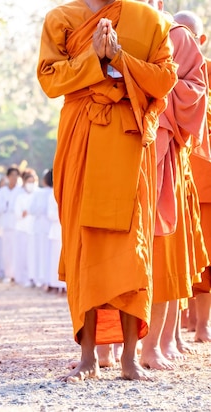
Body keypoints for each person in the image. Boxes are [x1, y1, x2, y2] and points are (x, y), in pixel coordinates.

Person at [37, 0, 177, 381]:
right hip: (82, 135)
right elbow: (50, 79)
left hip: (127, 139)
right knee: (85, 244)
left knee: (132, 248)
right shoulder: (61, 20)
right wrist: (95, 60)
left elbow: (165, 80)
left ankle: (130, 358)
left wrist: (120, 56)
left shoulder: (148, 20)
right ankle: (88, 358)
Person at [138, 0, 209, 371]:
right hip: (122, 146)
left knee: (166, 253)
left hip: (166, 158)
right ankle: (103, 350)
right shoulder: (99, 26)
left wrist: (157, 87)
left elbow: (192, 90)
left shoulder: (175, 37)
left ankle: (159, 343)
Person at [177, 10, 211, 343]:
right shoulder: (161, 70)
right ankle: (185, 322)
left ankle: (203, 324)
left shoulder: (208, 74)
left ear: (200, 40)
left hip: (207, 181)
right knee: (184, 258)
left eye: (187, 35)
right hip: (183, 181)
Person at [0, 167, 21, 282]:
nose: (14, 178)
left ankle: (18, 274)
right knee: (7, 251)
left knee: (18, 250)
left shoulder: (20, 191)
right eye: (12, 175)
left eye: (16, 175)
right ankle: (8, 274)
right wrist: (4, 207)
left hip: (18, 225)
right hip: (6, 225)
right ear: (8, 177)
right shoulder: (2, 192)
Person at [14, 169, 38, 287]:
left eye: (33, 181)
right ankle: (25, 277)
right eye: (29, 181)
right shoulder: (20, 197)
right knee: (23, 255)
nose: (31, 184)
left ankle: (34, 277)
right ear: (24, 182)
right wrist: (27, 212)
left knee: (34, 255)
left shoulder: (38, 194)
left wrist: (28, 212)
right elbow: (18, 214)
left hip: (34, 230)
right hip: (22, 229)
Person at [31, 169, 54, 289]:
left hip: (42, 228)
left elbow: (32, 209)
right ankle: (49, 280)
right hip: (50, 229)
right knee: (50, 256)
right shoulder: (56, 192)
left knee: (41, 255)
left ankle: (43, 279)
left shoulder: (39, 193)